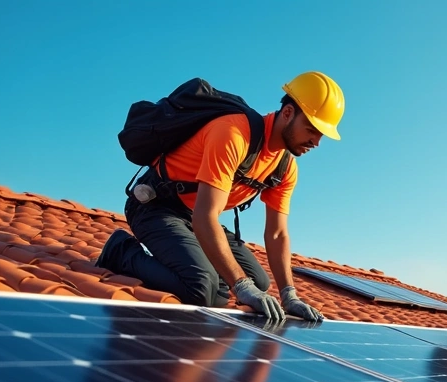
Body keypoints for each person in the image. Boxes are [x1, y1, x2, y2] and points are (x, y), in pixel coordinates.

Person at [97, 71, 344, 322]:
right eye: (312, 129)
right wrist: (239, 285)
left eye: (322, 134)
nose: (317, 141)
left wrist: (289, 295)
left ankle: (202, 273)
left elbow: (277, 233)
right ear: (288, 113)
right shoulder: (234, 133)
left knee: (258, 283)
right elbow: (206, 217)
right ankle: (121, 252)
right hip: (156, 207)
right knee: (201, 288)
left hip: (193, 216)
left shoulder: (285, 168)